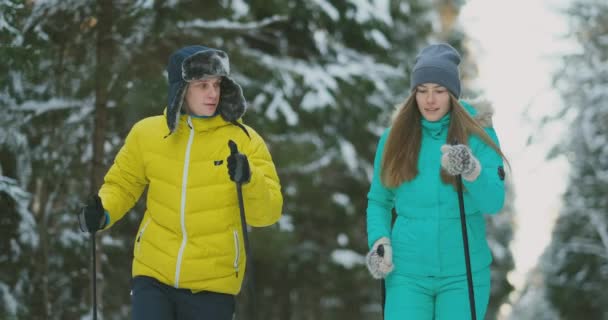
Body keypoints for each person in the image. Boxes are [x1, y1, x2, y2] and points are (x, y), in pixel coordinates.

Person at [80, 45, 283, 320]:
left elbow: (267, 214)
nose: (213, 93)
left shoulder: (245, 141)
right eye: (202, 85)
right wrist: (101, 212)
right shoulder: (147, 134)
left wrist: (249, 179)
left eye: (217, 84)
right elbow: (122, 184)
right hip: (153, 273)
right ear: (181, 88)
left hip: (214, 282)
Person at [365, 43, 507, 319]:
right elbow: (379, 200)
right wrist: (381, 241)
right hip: (406, 274)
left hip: (463, 274)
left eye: (439, 91)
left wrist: (471, 171)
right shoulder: (395, 137)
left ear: (453, 94)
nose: (430, 99)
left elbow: (494, 201)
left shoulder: (477, 133)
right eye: (422, 90)